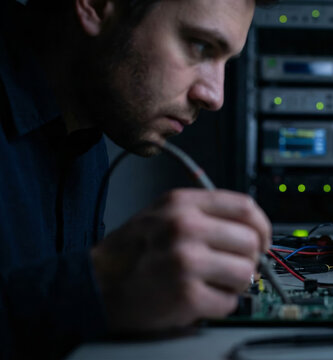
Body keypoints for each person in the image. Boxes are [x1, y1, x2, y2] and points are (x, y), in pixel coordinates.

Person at [0, 0, 275, 358]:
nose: (215, 97)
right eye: (201, 46)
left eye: (226, 62)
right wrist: (100, 283)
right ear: (97, 6)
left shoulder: (85, 129)